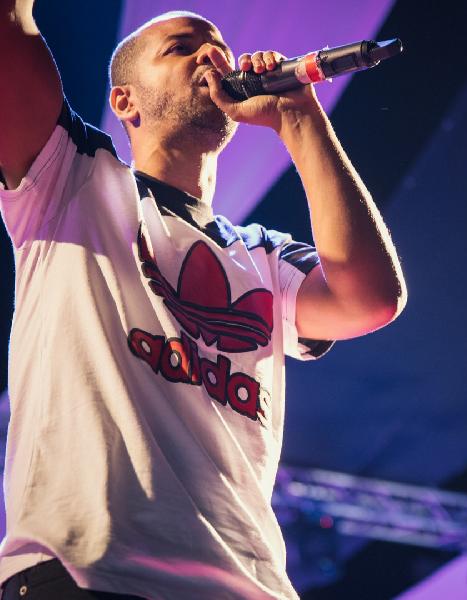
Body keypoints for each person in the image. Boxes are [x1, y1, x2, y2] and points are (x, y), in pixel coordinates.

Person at [0, 3, 406, 599]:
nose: (212, 55)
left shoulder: (265, 256)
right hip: (92, 575)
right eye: (181, 47)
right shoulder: (73, 181)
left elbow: (369, 300)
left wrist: (300, 120)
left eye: (218, 47)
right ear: (125, 102)